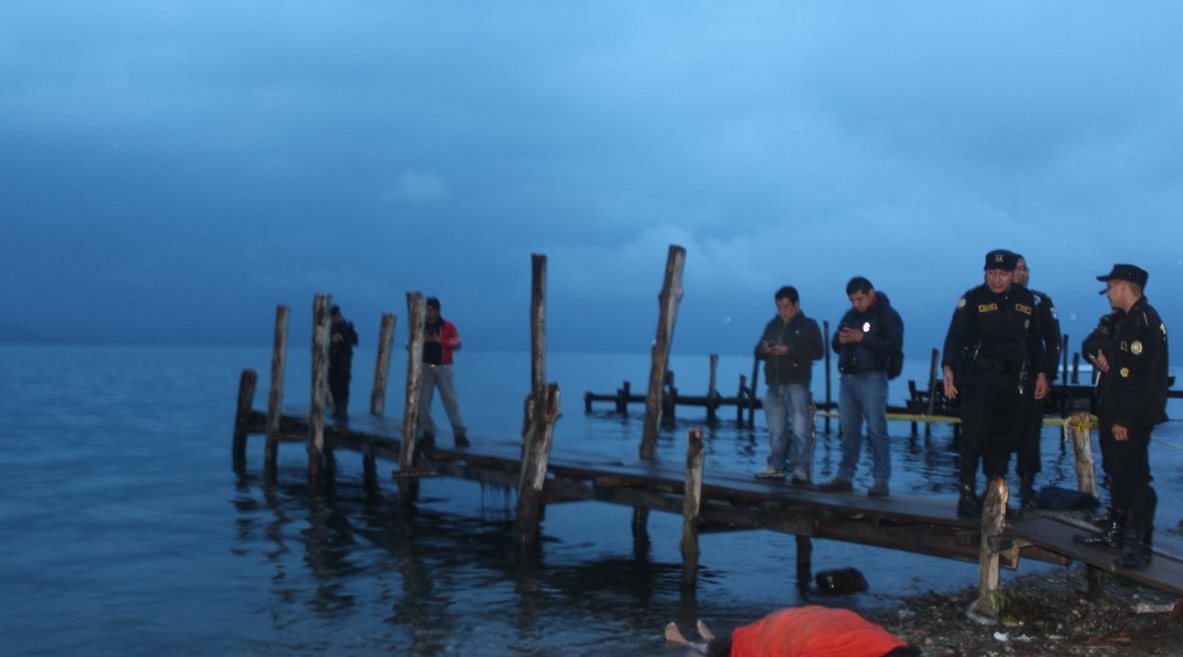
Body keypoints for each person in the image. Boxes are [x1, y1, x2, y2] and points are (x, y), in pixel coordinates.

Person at [1072, 264, 1168, 569]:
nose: (1108, 293)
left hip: (1133, 414)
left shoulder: (1144, 323)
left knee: (1136, 477)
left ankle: (1141, 542)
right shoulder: (1119, 320)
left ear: (1124, 286)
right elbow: (1091, 344)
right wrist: (1099, 357)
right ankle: (1116, 527)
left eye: (1111, 286)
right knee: (1116, 470)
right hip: (1112, 407)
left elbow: (1140, 379)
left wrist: (1124, 420)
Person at [941, 249, 1049, 518]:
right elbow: (955, 337)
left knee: (1003, 440)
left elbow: (1034, 340)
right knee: (974, 437)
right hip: (980, 379)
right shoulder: (973, 299)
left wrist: (1041, 374)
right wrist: (948, 368)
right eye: (991, 273)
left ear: (1013, 274)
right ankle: (966, 495)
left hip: (1013, 381)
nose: (996, 279)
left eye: (1002, 274)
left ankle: (993, 496)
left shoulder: (1025, 300)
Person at [819, 277, 904, 497]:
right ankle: (844, 477)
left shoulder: (888, 315)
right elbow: (835, 344)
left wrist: (862, 338)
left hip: (873, 378)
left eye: (859, 299)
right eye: (852, 300)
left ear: (870, 293)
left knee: (876, 429)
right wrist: (840, 340)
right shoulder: (850, 315)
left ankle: (881, 480)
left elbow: (894, 345)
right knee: (848, 430)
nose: (856, 304)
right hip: (847, 378)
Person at [753, 286, 824, 483]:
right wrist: (765, 350)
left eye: (786, 307)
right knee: (776, 430)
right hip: (773, 385)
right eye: (779, 307)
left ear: (796, 305)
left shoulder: (809, 325)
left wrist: (789, 350)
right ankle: (776, 466)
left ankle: (801, 469)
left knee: (801, 430)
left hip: (797, 384)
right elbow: (757, 351)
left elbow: (818, 351)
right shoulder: (772, 325)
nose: (782, 311)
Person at [664, 605, 919, 657]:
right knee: (738, 648)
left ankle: (710, 643)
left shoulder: (894, 643)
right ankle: (700, 645)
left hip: (812, 621)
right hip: (791, 629)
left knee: (739, 642)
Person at [1012, 254, 1062, 509]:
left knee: (1030, 435)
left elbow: (1053, 341)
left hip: (1032, 376)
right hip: (999, 378)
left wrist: (1047, 374)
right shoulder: (987, 301)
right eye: (1018, 269)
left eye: (1025, 269)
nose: (1023, 273)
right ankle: (994, 485)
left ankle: (1026, 485)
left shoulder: (1040, 301)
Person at [419, 296, 469, 447]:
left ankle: (459, 433)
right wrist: (422, 340)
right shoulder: (420, 326)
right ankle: (428, 431)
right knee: (423, 401)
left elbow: (457, 343)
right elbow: (409, 344)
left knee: (450, 400)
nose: (429, 312)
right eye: (426, 309)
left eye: (431, 309)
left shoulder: (448, 326)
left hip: (444, 367)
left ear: (437, 310)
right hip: (426, 367)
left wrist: (440, 340)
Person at [328, 304, 359, 420]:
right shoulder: (331, 328)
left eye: (335, 315)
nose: (334, 318)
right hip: (333, 361)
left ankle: (343, 410)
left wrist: (350, 331)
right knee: (333, 383)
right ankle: (337, 408)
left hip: (344, 361)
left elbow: (355, 341)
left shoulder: (346, 326)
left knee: (342, 384)